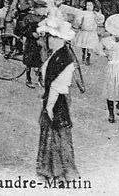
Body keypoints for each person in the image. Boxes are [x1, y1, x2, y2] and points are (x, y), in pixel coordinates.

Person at [35, 16, 80, 182]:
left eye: (51, 37)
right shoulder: (57, 54)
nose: (48, 41)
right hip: (53, 96)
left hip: (57, 99)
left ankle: (60, 171)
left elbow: (58, 86)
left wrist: (49, 106)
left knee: (57, 133)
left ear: (59, 39)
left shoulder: (64, 58)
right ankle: (51, 169)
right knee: (52, 133)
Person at [72, 0, 102, 65]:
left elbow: (100, 21)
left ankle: (88, 56)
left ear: (93, 6)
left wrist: (98, 17)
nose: (89, 7)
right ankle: (83, 55)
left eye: (90, 5)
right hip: (84, 31)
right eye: (87, 5)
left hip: (91, 32)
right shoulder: (83, 13)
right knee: (83, 45)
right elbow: (78, 21)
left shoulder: (95, 14)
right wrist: (79, 21)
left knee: (89, 45)